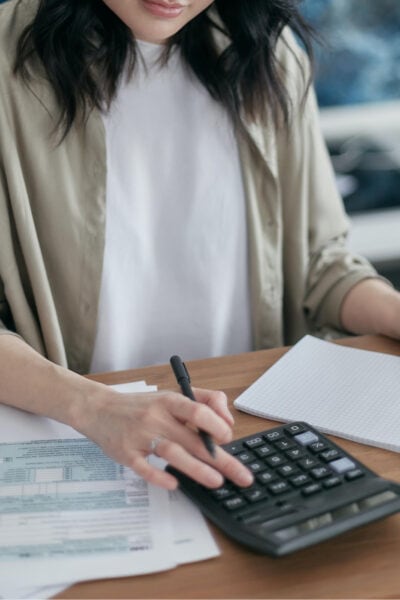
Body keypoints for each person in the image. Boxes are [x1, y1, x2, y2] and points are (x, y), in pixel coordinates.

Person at [0, 0, 399, 492]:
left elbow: (319, 264)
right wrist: (93, 406)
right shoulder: (5, 65)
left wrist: (393, 310)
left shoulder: (270, 56)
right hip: (77, 445)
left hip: (246, 439)